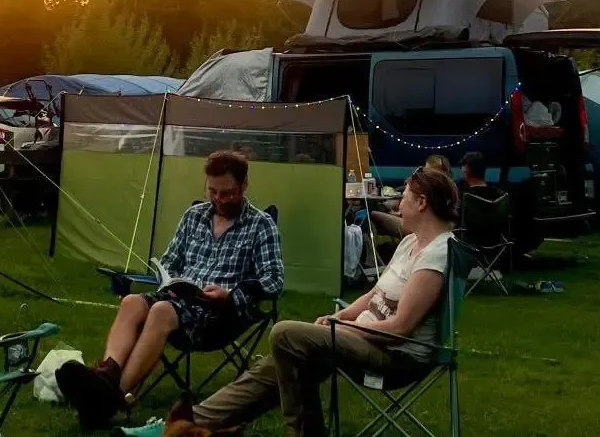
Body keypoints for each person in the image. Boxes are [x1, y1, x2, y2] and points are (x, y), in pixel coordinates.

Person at [113, 166, 459, 437]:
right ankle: (183, 426)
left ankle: (299, 432)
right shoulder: (410, 242)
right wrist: (341, 315)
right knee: (280, 361)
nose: (399, 204)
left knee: (285, 335)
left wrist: (344, 327)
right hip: (360, 337)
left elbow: (400, 327)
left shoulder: (437, 254)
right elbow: (374, 294)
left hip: (395, 355)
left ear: (422, 203)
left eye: (405, 198)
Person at [59, 149, 285, 430]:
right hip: (180, 297)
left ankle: (110, 397)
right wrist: (171, 279)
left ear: (243, 186)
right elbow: (169, 260)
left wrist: (232, 295)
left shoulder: (260, 225)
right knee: (131, 301)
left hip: (219, 314)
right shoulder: (195, 216)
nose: (217, 199)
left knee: (161, 311)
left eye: (226, 193)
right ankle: (107, 376)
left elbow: (274, 280)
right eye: (212, 191)